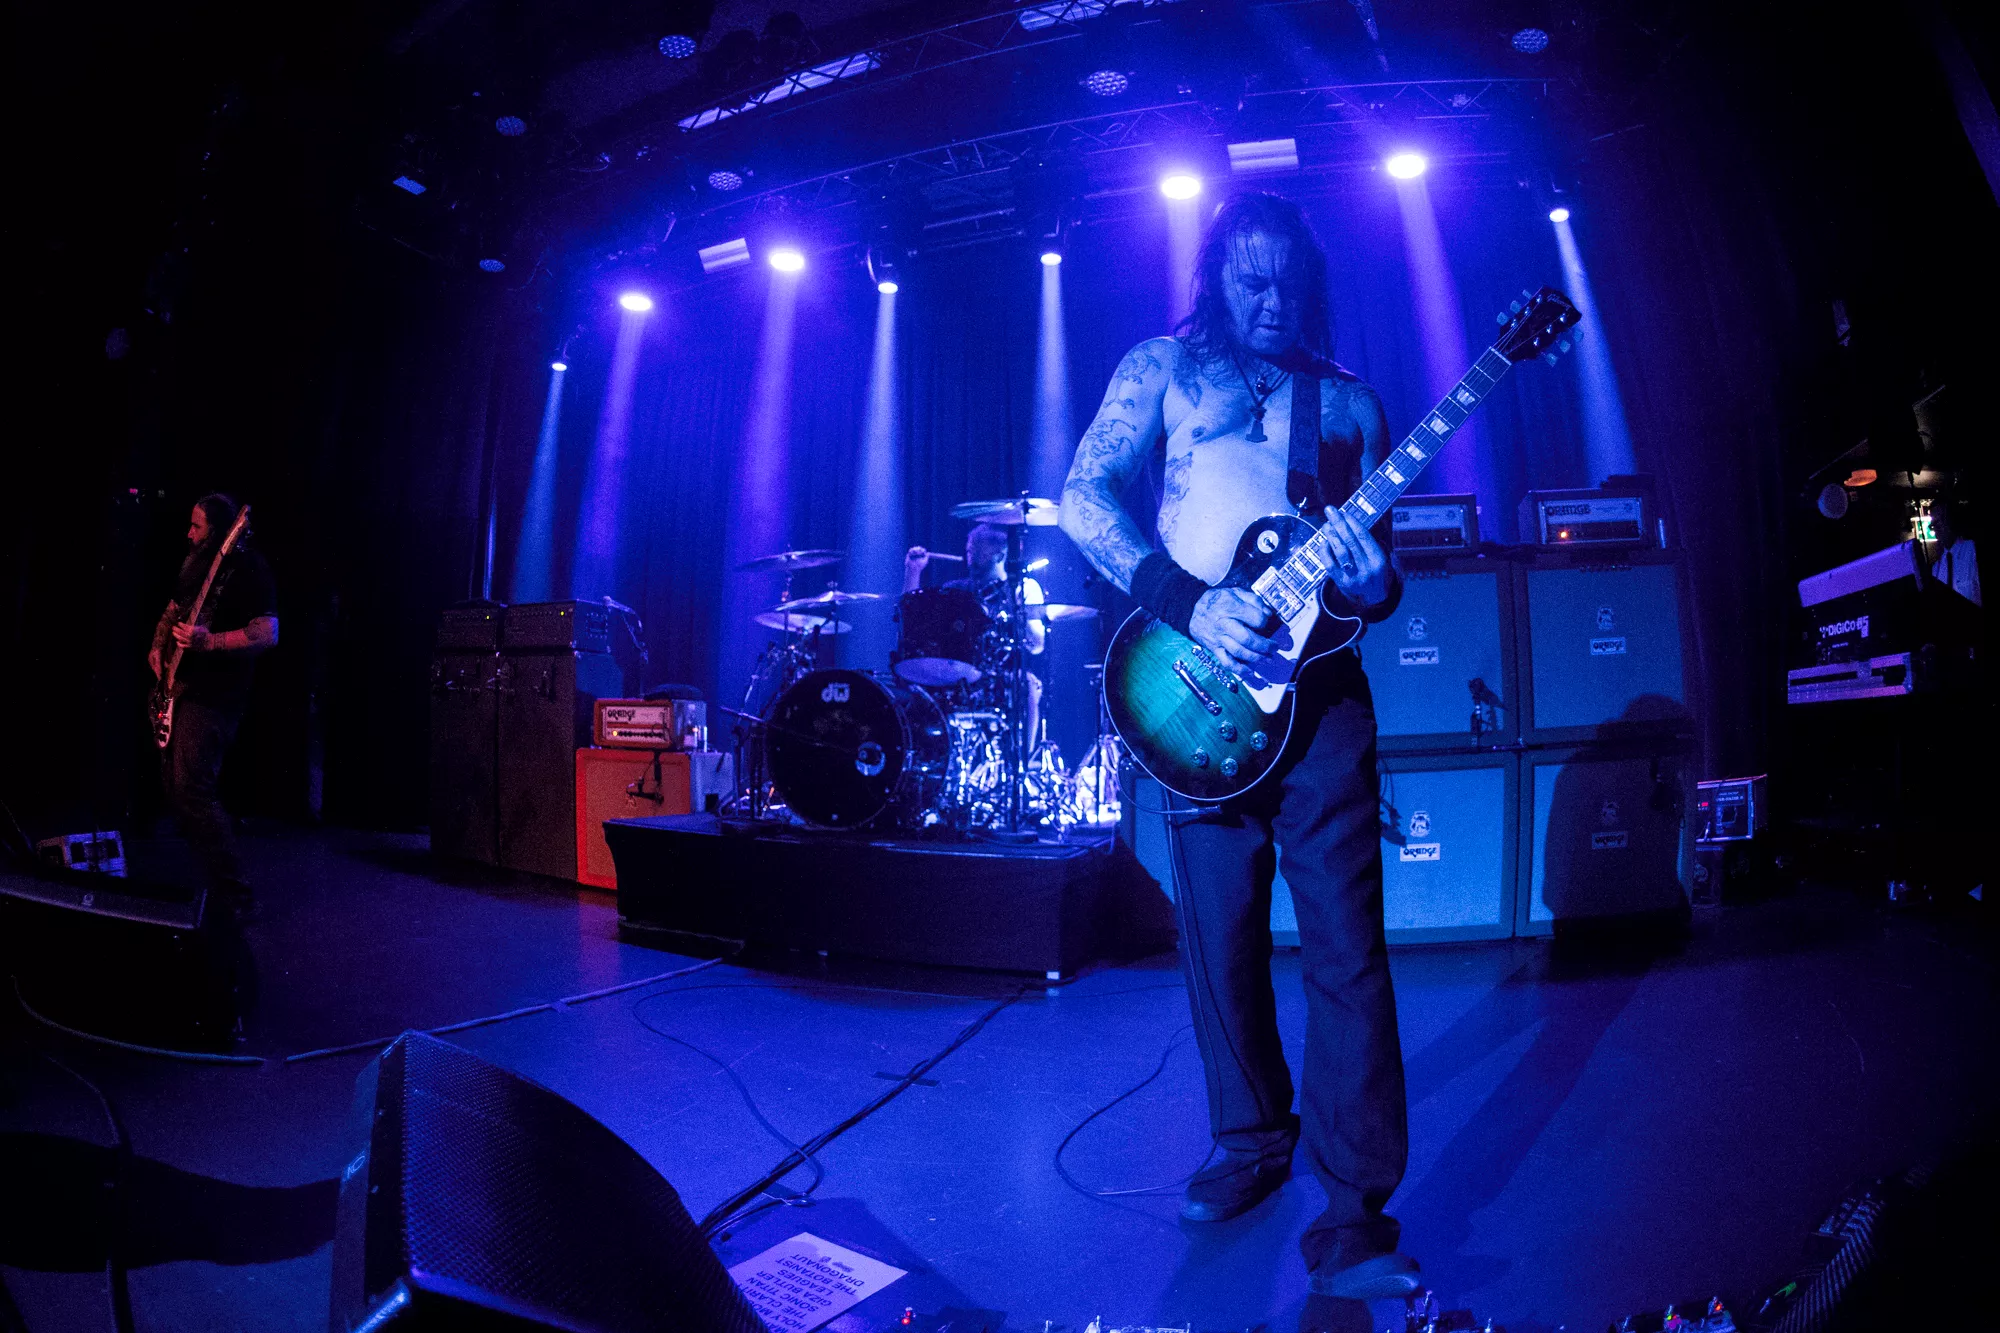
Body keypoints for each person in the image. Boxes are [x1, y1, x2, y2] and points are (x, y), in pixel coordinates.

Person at [1056, 192, 1419, 1305]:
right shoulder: (1163, 369)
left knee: (1346, 949)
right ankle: (1250, 1141)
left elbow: (1375, 581)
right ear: (1215, 276)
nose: (1270, 300)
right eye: (1249, 279)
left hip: (1322, 702)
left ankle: (1356, 1211)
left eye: (1287, 281)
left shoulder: (1348, 403)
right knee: (1217, 941)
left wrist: (1375, 579)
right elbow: (1081, 497)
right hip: (1193, 689)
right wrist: (1186, 600)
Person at [148, 494, 278, 916]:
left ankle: (237, 895)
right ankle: (211, 890)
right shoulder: (195, 566)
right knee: (178, 792)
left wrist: (211, 642)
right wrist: (157, 646)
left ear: (220, 531)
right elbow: (173, 609)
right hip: (179, 687)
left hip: (215, 696)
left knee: (193, 790)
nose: (189, 534)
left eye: (197, 526)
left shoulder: (250, 568)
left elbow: (268, 633)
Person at [904, 522, 1046, 741]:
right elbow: (912, 616)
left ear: (1000, 556)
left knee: (1028, 685)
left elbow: (1037, 645)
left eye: (978, 552)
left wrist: (1021, 605)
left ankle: (1023, 759)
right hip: (958, 673)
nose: (970, 557)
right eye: (969, 551)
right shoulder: (955, 590)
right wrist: (913, 572)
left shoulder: (1022, 588)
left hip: (1002, 675)